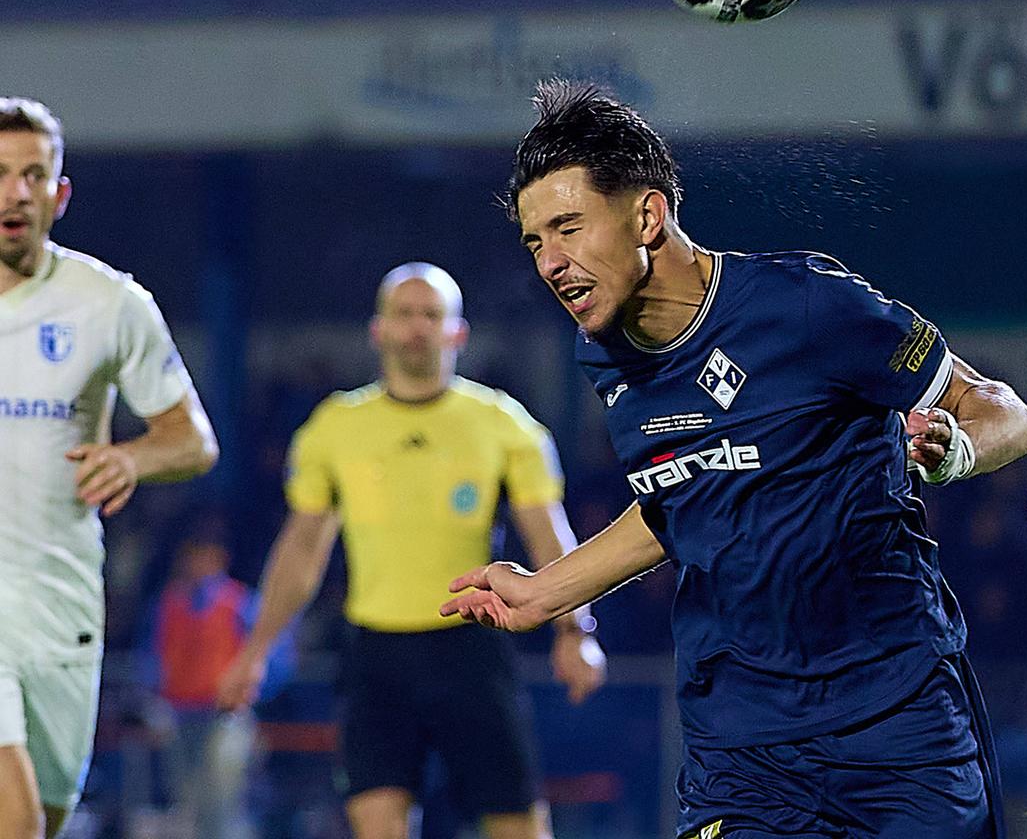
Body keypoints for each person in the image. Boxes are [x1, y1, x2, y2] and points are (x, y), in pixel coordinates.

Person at [441, 81, 1027, 839]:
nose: (551, 263)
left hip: (898, 719)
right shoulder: (606, 357)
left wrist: (958, 450)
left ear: (647, 216)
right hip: (742, 747)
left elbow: (1008, 414)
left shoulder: (806, 305)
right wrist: (544, 593)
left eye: (568, 228)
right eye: (535, 243)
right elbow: (684, 501)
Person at [216, 263, 605, 839]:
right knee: (377, 824)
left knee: (518, 825)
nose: (417, 327)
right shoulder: (335, 427)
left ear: (458, 332)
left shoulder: (502, 424)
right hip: (375, 656)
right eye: (404, 314)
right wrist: (256, 648)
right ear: (378, 329)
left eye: (431, 315)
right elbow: (301, 548)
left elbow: (549, 536)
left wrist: (576, 632)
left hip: (471, 649)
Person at [0, 97, 220, 839]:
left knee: (47, 814)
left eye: (34, 175)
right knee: (16, 818)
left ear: (59, 194)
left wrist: (131, 457)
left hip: (61, 607)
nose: (16, 192)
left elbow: (193, 440)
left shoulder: (109, 304)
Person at [147, 525, 257, 839]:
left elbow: (272, 656)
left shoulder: (240, 602)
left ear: (219, 559)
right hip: (180, 715)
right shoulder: (169, 603)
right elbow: (152, 655)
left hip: (225, 716)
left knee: (223, 799)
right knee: (186, 800)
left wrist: (247, 691)